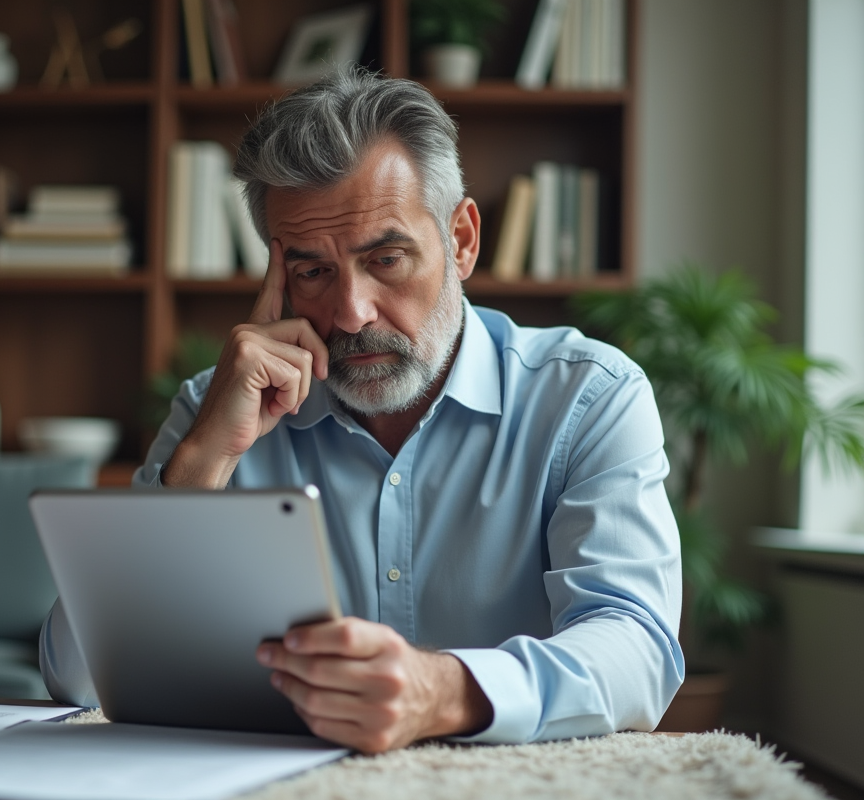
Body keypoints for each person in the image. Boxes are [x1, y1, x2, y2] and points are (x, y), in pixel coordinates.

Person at [40, 68, 683, 753]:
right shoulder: (218, 410)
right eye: (312, 272)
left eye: (387, 259)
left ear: (462, 240)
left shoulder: (588, 400)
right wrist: (202, 463)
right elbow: (76, 677)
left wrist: (440, 691)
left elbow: (637, 649)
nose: (351, 312)